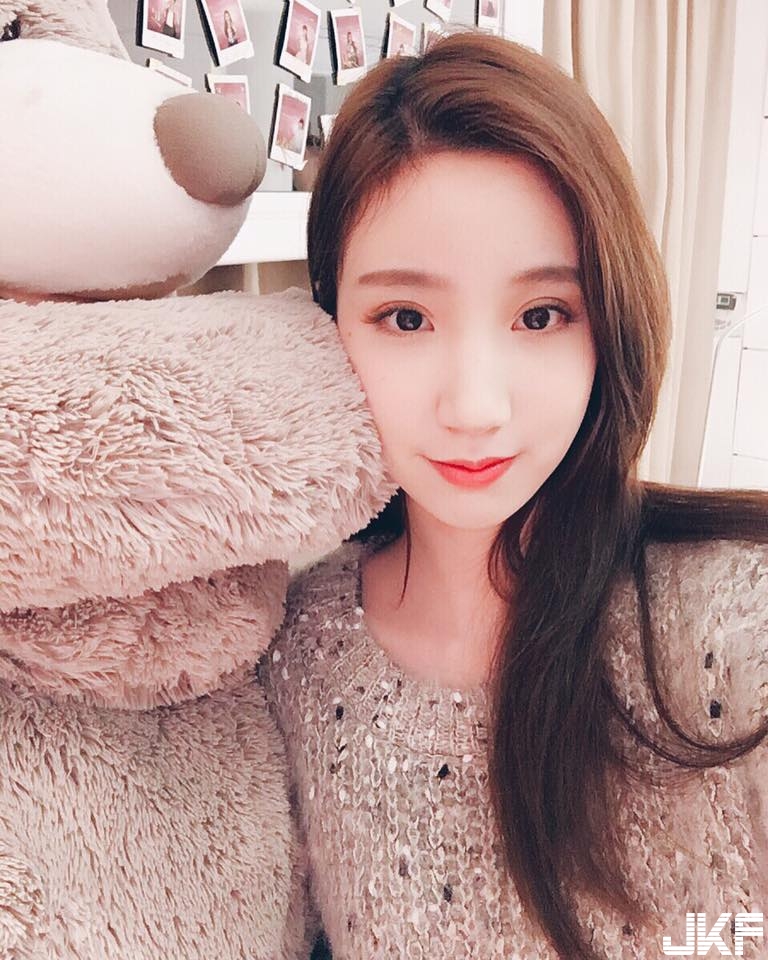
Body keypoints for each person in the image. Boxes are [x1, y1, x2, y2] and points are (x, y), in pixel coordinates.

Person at [262, 32, 768, 960]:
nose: (475, 408)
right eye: (405, 317)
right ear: (328, 327)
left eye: (540, 315)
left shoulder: (732, 622)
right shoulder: (291, 652)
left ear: (608, 324)